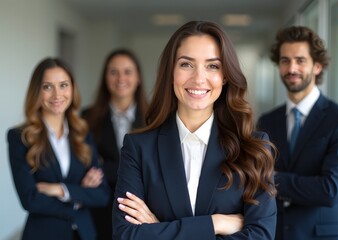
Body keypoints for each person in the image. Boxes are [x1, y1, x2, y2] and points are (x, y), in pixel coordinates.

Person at [112, 20, 277, 240]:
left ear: (225, 76)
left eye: (212, 66)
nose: (199, 78)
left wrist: (158, 229)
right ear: (171, 72)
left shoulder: (254, 148)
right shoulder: (138, 148)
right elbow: (126, 235)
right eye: (186, 64)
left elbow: (261, 236)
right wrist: (215, 223)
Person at [257, 26, 338, 239]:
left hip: (321, 235)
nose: (291, 68)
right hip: (275, 233)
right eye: (285, 60)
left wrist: (271, 179)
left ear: (317, 66)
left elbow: (330, 190)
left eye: (300, 60)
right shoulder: (267, 121)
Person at [7, 58, 110, 240]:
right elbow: (30, 199)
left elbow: (102, 194)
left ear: (72, 89)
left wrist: (61, 190)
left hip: (84, 234)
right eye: (47, 87)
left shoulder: (82, 132)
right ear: (37, 91)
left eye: (63, 85)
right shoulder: (20, 137)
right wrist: (80, 194)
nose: (57, 95)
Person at [82, 48, 148, 239]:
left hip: (142, 210)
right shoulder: (86, 119)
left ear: (138, 78)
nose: (121, 78)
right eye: (113, 72)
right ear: (105, 77)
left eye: (127, 71)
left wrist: (105, 167)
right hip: (99, 211)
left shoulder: (155, 118)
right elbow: (87, 167)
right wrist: (136, 168)